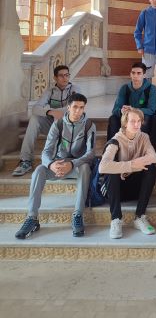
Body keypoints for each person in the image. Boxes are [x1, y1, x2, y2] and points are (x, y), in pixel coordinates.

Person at [15, 93, 95, 239]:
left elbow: (90, 154)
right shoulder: (58, 124)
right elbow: (46, 152)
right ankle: (32, 218)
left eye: (81, 108)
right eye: (75, 107)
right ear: (68, 107)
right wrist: (51, 164)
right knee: (39, 170)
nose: (78, 111)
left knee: (85, 168)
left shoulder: (89, 125)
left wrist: (72, 164)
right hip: (58, 164)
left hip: (77, 166)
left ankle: (77, 215)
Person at [99, 107, 156, 239]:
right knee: (112, 171)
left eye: (139, 121)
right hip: (116, 190)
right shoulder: (116, 140)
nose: (137, 124)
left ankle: (140, 217)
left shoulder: (144, 137)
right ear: (125, 123)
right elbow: (102, 167)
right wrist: (130, 166)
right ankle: (116, 219)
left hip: (135, 189)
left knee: (151, 168)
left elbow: (153, 157)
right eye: (132, 121)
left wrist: (131, 168)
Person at [12, 65, 80, 176]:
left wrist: (58, 112)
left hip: (70, 127)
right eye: (61, 75)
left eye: (67, 75)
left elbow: (74, 107)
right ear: (55, 78)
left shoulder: (75, 89)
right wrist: (50, 112)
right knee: (35, 119)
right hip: (53, 125)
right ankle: (26, 161)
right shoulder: (50, 91)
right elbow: (35, 109)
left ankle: (56, 161)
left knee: (60, 121)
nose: (65, 78)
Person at [107, 61, 156, 148]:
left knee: (145, 120)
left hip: (143, 116)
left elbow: (151, 110)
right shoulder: (124, 88)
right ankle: (112, 147)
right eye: (133, 73)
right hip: (127, 117)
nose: (135, 76)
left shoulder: (151, 88)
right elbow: (115, 109)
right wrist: (121, 111)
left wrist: (133, 110)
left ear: (144, 75)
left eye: (139, 73)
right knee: (113, 119)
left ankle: (141, 147)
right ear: (130, 74)